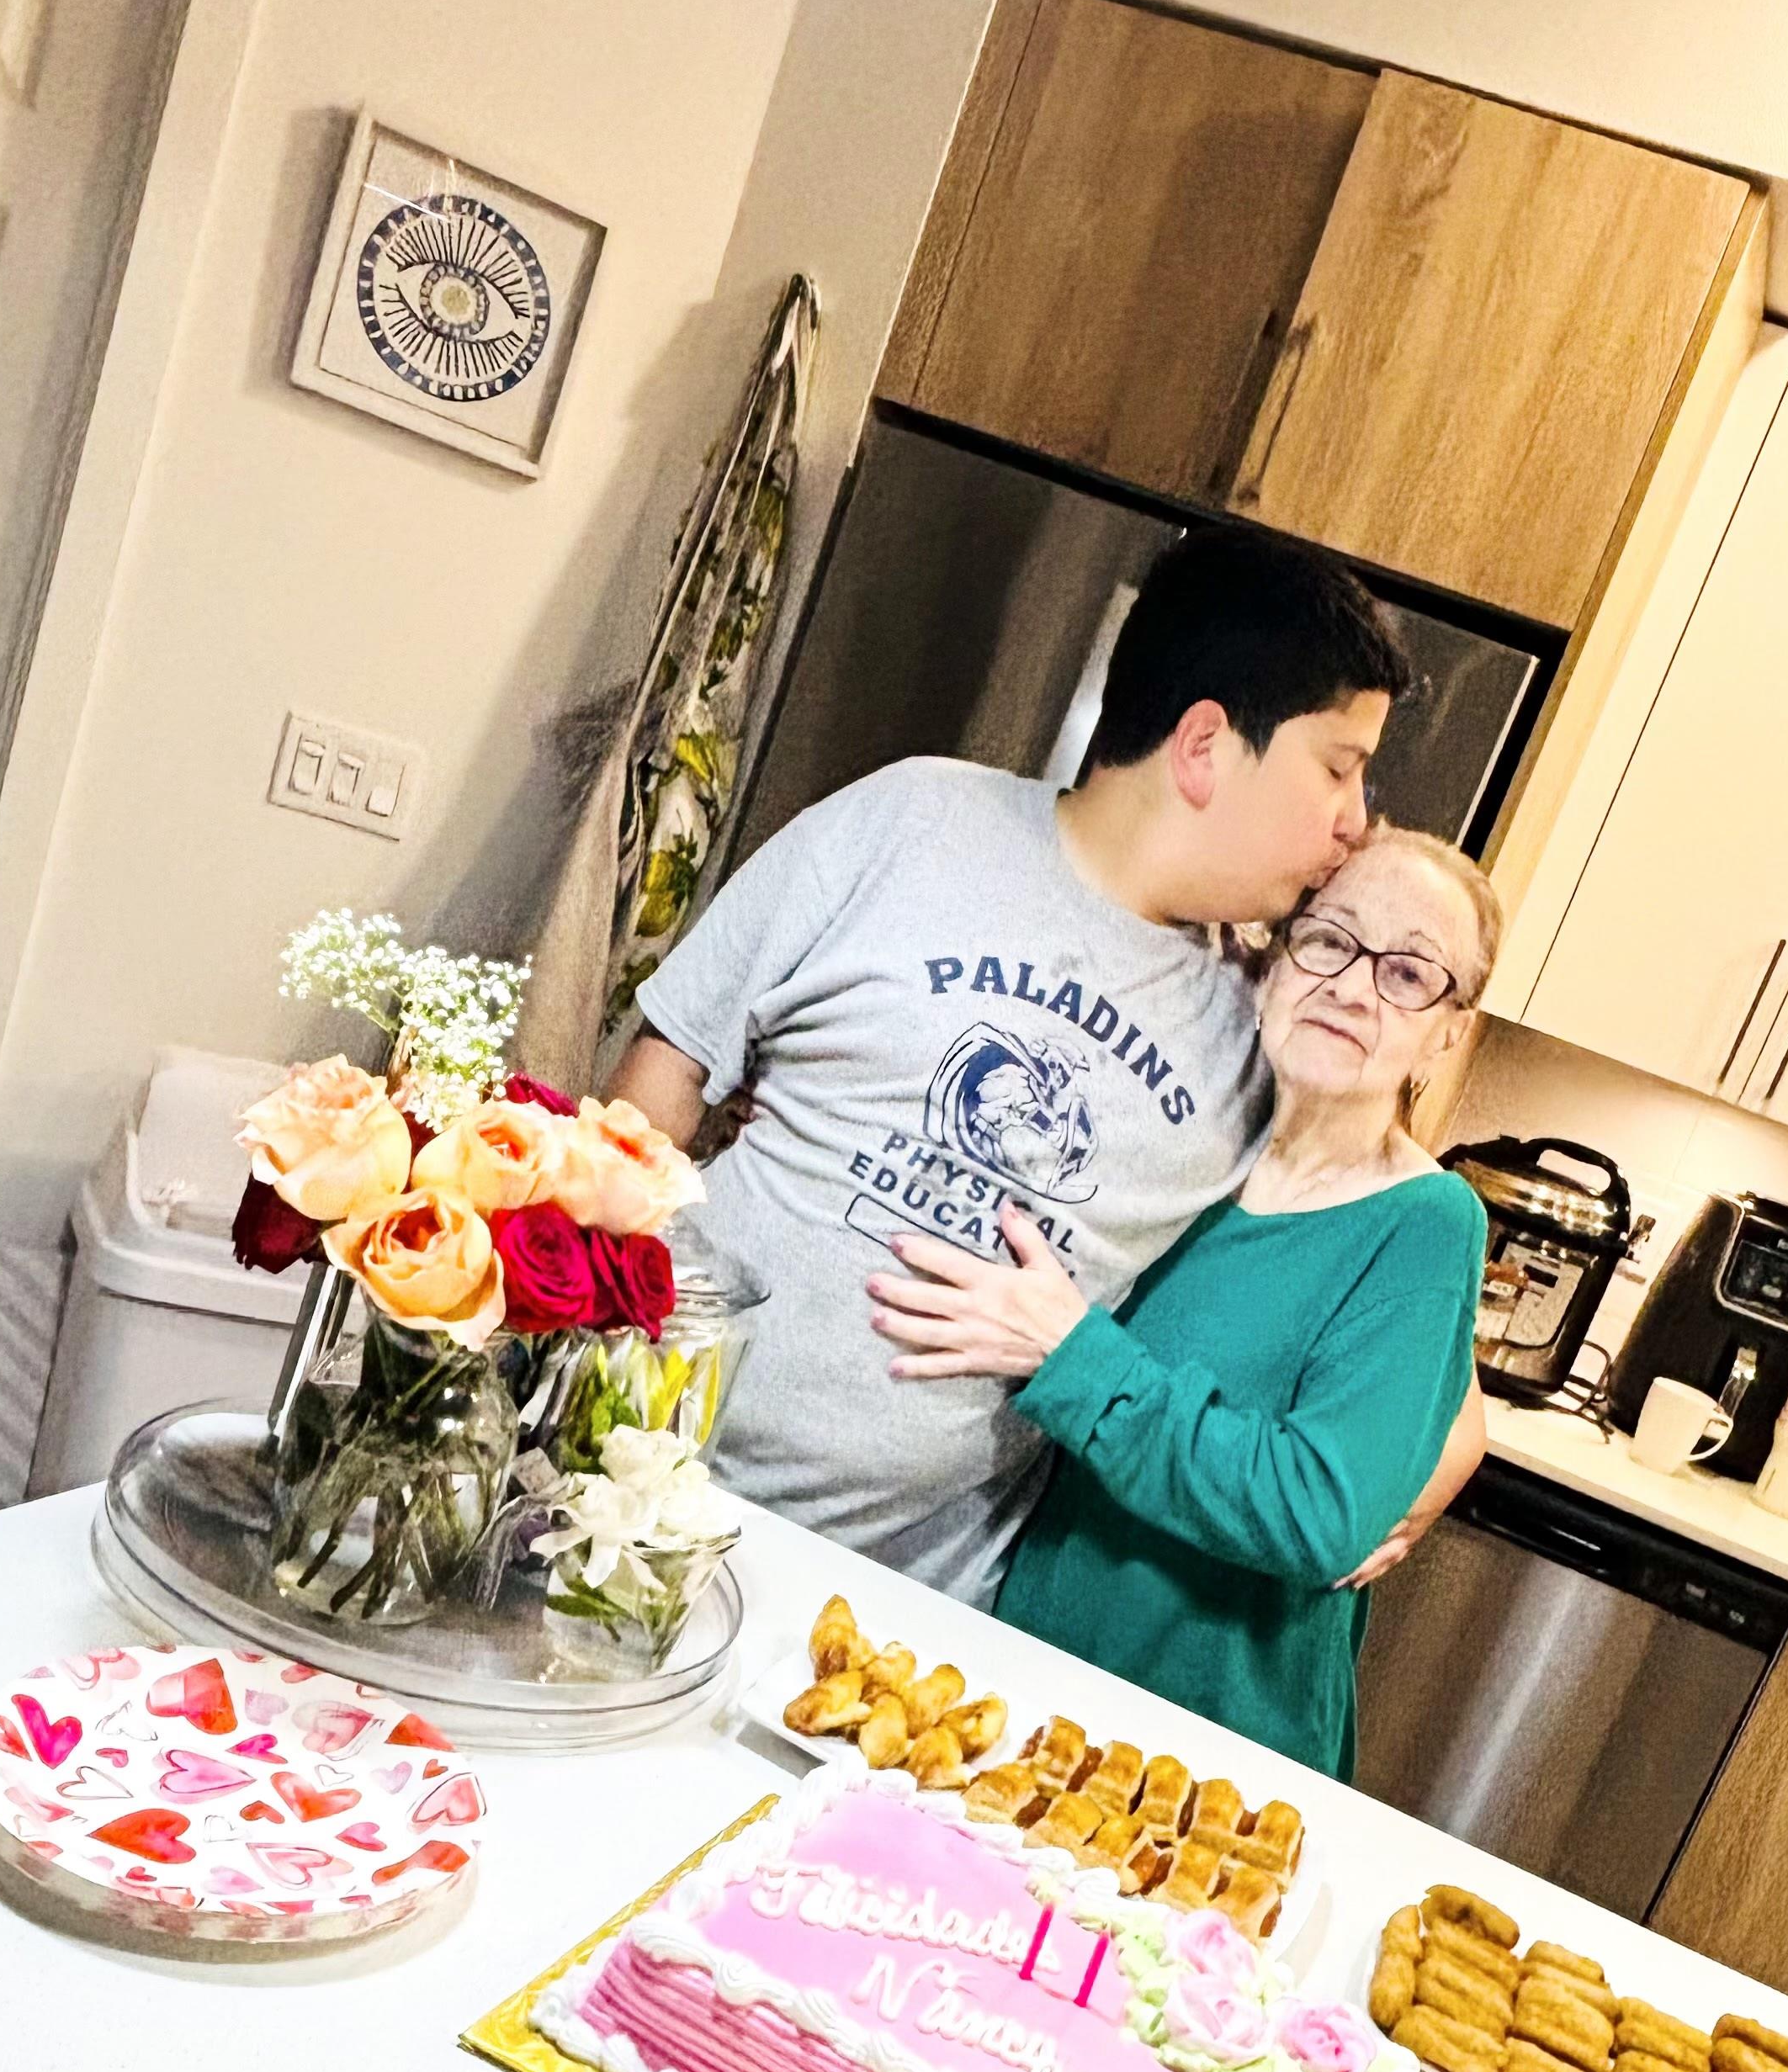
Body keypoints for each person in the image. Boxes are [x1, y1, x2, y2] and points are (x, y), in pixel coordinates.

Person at [608, 527, 1467, 1600]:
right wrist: (587, 1355)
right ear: (1204, 748)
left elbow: (1431, 1356)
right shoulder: (913, 818)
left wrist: (1403, 1501)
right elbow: (666, 1074)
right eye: (1339, 768)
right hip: (621, 1490)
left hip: (889, 1604)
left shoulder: (1265, 1020)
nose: (1357, 821)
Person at [868, 826, 1496, 1778]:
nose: (1356, 985)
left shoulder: (1428, 1223)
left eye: (1410, 973)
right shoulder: (1174, 1148)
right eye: (1330, 938)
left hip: (1204, 1761)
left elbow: (1319, 1512)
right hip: (1012, 1691)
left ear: (1448, 1029)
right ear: (1275, 958)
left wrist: (1075, 1360)